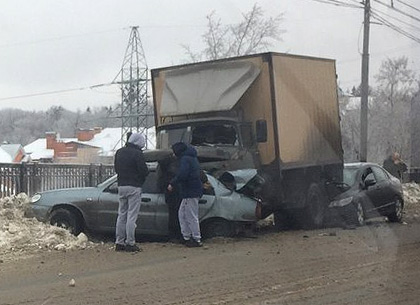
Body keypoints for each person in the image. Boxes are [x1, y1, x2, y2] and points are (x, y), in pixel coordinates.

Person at [114, 133, 149, 252]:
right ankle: (130, 242)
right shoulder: (138, 154)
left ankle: (119, 242)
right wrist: (140, 180)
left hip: (121, 185)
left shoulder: (119, 152)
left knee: (121, 214)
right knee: (132, 216)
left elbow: (116, 169)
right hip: (134, 186)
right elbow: (144, 171)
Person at [167, 142, 204, 247]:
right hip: (191, 191)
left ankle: (195, 238)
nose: (173, 155)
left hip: (190, 191)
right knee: (182, 214)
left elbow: (183, 174)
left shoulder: (185, 159)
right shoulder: (192, 158)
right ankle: (188, 237)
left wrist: (172, 183)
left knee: (190, 215)